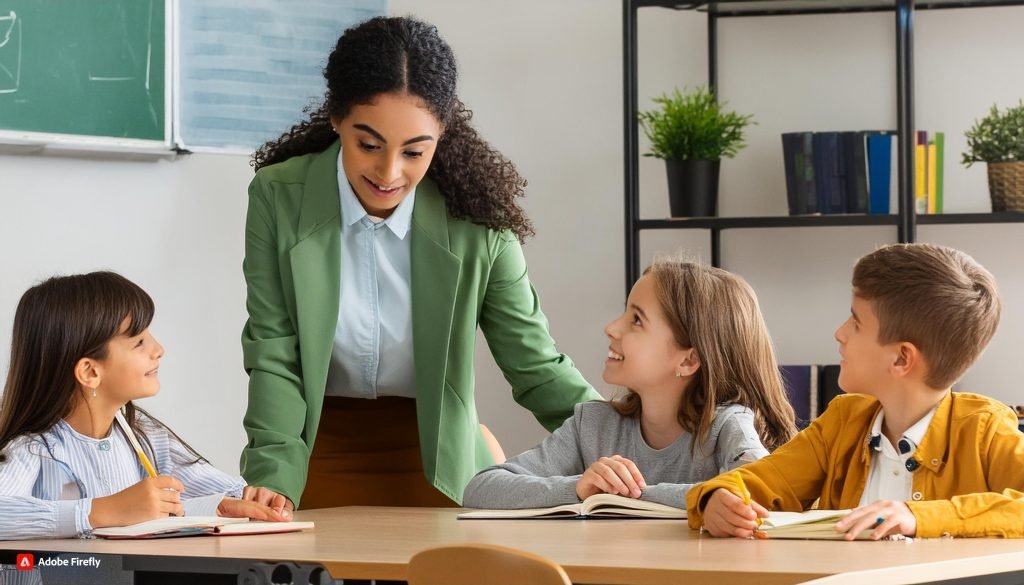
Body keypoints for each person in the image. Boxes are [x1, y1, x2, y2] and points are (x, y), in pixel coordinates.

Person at [239, 15, 600, 513]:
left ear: (442, 134)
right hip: (309, 455)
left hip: (440, 461)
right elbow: (273, 350)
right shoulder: (278, 197)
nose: (389, 173)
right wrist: (271, 474)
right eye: (368, 144)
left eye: (414, 151)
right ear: (336, 118)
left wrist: (629, 441)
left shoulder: (480, 227)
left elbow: (536, 366)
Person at [690, 243, 1024, 540]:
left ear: (901, 358)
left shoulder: (984, 428)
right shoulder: (842, 422)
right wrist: (717, 499)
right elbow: (754, 483)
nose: (840, 333)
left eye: (856, 322)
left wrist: (917, 516)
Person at [463, 261, 797, 509]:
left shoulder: (727, 425)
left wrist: (620, 498)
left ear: (687, 361)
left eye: (636, 320)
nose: (611, 328)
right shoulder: (592, 425)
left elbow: (755, 491)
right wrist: (580, 488)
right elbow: (481, 490)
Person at [0, 272, 288, 540]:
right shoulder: (33, 448)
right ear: (90, 372)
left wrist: (243, 499)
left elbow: (202, 488)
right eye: (139, 342)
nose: (158, 349)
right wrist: (102, 511)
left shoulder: (144, 436)